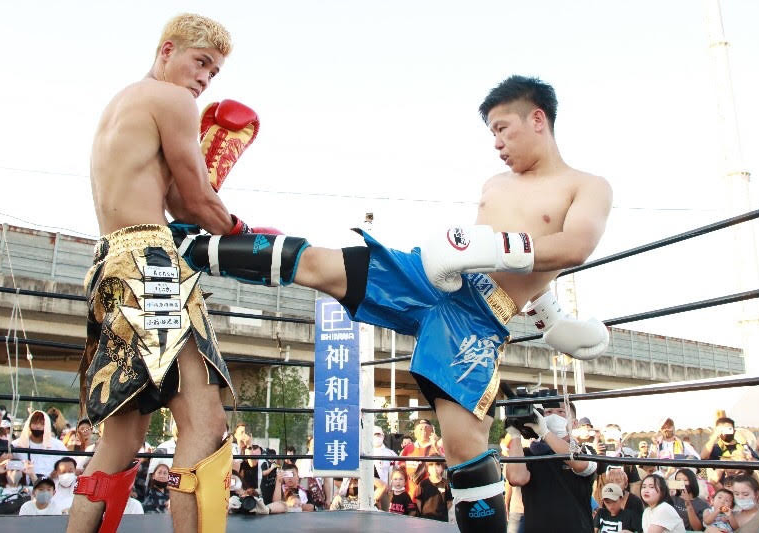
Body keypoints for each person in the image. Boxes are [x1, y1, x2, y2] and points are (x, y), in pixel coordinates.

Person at [170, 74, 611, 532]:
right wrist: (484, 260)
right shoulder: (496, 182)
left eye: (503, 129)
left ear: (537, 119)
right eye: (492, 132)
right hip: (434, 276)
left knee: (464, 449)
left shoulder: (586, 185)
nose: (496, 142)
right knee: (321, 264)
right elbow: (486, 252)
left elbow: (574, 246)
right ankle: (193, 249)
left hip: (481, 317)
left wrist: (547, 314)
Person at [66, 13, 263, 533]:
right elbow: (196, 203)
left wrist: (206, 191)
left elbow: (175, 201)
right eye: (201, 62)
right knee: (205, 424)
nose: (205, 78)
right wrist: (245, 232)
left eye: (214, 72)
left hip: (110, 265)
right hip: (151, 267)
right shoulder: (174, 100)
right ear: (167, 50)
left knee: (122, 439)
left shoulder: (124, 102)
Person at [506, 401, 598, 532]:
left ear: (574, 423)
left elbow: (581, 465)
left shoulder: (585, 450)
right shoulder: (529, 453)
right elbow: (517, 478)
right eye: (548, 412)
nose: (554, 416)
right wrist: (515, 434)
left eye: (561, 412)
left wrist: (546, 433)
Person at [12, 410, 68, 478]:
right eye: (35, 423)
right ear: (29, 424)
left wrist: (59, 471)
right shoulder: (16, 445)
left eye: (42, 424)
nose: (38, 426)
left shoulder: (58, 445)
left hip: (50, 483)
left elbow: (69, 464)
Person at [414, 456, 453, 522]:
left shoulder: (446, 483)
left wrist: (442, 513)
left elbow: (449, 501)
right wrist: (423, 513)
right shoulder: (422, 484)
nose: (434, 468)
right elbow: (418, 500)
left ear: (442, 467)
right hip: (425, 518)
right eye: (431, 465)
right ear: (428, 468)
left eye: (438, 465)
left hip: (441, 519)